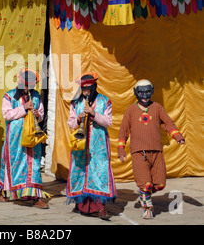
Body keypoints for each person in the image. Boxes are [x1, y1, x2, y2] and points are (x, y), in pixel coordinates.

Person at [118, 79, 185, 219]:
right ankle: (147, 208)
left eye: (148, 92)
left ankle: (143, 194)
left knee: (160, 184)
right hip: (138, 153)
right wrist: (121, 149)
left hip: (156, 152)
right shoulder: (130, 110)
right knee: (146, 184)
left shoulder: (157, 107)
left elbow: (168, 123)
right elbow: (123, 130)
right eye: (141, 92)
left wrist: (178, 136)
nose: (145, 95)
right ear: (136, 93)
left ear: (152, 91)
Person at [0, 69, 50, 209]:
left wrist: (37, 114)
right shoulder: (9, 96)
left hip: (32, 135)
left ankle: (37, 196)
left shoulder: (36, 95)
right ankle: (3, 190)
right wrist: (24, 108)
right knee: (13, 163)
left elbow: (42, 114)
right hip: (15, 137)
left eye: (30, 86)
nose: (27, 89)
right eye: (25, 85)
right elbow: (7, 114)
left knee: (34, 164)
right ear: (20, 82)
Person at [67, 72, 116, 220]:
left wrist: (94, 114)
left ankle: (101, 208)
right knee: (79, 171)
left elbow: (108, 122)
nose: (86, 92)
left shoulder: (104, 101)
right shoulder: (75, 102)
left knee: (99, 173)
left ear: (94, 87)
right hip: (81, 144)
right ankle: (79, 203)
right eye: (83, 89)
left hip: (98, 144)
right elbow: (71, 123)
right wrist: (78, 119)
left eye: (89, 89)